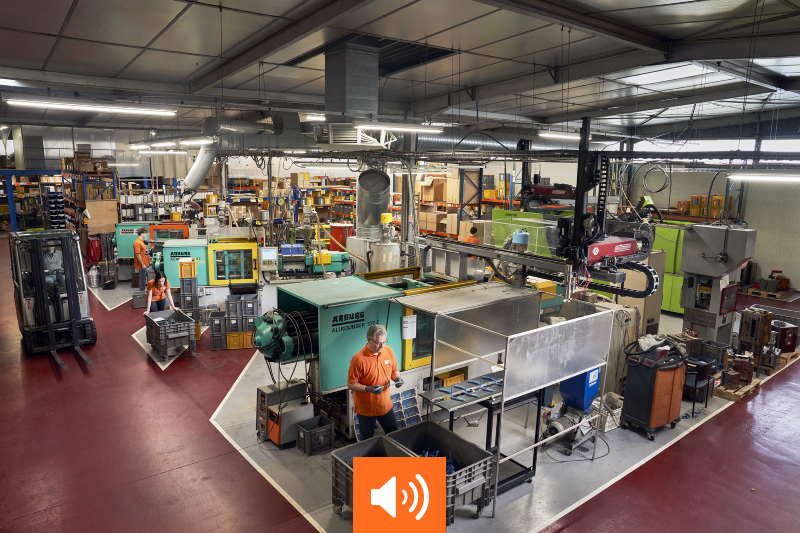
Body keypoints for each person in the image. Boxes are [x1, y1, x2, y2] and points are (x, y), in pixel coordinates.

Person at [347, 325, 404, 439]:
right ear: (369, 340)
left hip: (385, 406)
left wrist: (398, 378)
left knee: (394, 436)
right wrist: (368, 389)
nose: (382, 346)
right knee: (367, 441)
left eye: (384, 342)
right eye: (378, 343)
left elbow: (394, 370)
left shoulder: (388, 351)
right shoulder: (358, 359)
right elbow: (351, 384)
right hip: (366, 410)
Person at [133, 227, 150, 292]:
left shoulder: (142, 242)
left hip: (146, 262)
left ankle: (148, 290)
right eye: (145, 233)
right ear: (142, 234)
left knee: (147, 278)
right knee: (142, 278)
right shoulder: (137, 243)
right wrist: (142, 264)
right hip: (142, 264)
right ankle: (142, 292)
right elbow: (137, 254)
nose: (146, 235)